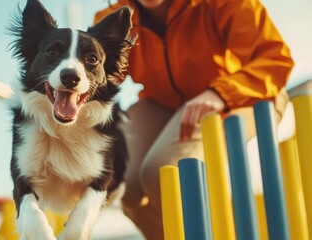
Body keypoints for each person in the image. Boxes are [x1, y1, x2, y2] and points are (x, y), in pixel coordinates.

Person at [94, 0, 294, 239]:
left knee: (163, 171)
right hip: (165, 103)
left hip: (246, 94)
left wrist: (221, 93)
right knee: (121, 178)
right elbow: (95, 77)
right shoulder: (115, 18)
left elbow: (274, 59)